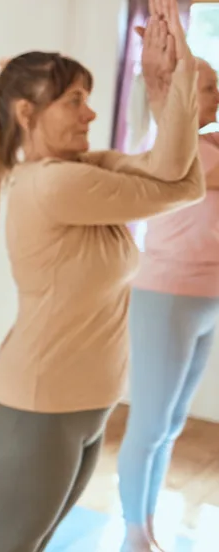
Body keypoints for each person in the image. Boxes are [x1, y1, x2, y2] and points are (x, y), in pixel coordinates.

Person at [0, 0, 205, 552]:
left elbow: (174, 167)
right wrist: (183, 77)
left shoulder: (83, 166)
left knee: (39, 540)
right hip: (39, 402)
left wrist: (160, 86)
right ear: (28, 113)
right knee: (9, 546)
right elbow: (185, 186)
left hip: (85, 399)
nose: (90, 111)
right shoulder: (56, 183)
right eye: (74, 99)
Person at [117, 55, 219, 552]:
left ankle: (148, 521)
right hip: (167, 297)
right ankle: (134, 534)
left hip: (207, 298)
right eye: (209, 88)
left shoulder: (207, 144)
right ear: (177, 97)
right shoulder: (177, 149)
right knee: (151, 423)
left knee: (172, 425)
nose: (218, 97)